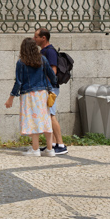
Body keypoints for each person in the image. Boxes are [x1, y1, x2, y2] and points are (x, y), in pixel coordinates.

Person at [5, 34, 57, 155]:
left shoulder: (21, 63)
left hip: (29, 95)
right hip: (43, 94)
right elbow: (52, 76)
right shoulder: (43, 59)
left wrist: (11, 98)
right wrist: (50, 86)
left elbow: (18, 82)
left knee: (34, 121)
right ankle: (50, 150)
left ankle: (35, 149)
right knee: (45, 120)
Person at [34, 25, 70, 155]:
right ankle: (53, 144)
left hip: (51, 88)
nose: (34, 39)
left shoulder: (50, 51)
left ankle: (61, 145)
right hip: (48, 87)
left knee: (51, 115)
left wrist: (47, 88)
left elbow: (53, 71)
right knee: (48, 115)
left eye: (36, 37)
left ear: (43, 38)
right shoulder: (44, 51)